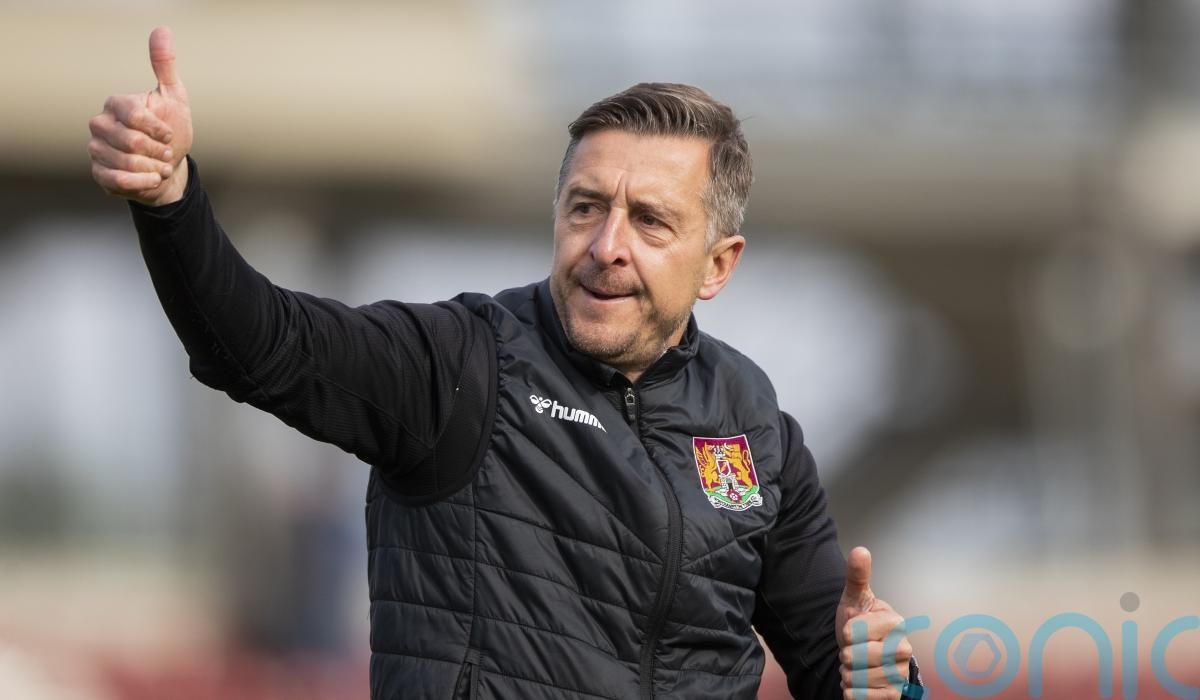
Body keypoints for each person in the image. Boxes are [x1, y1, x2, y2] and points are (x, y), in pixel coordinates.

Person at [88, 26, 923, 700]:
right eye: (586, 208)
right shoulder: (459, 363)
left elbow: (835, 668)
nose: (606, 246)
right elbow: (260, 343)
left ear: (718, 264)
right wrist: (171, 202)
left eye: (650, 221)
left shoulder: (754, 425)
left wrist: (887, 682)